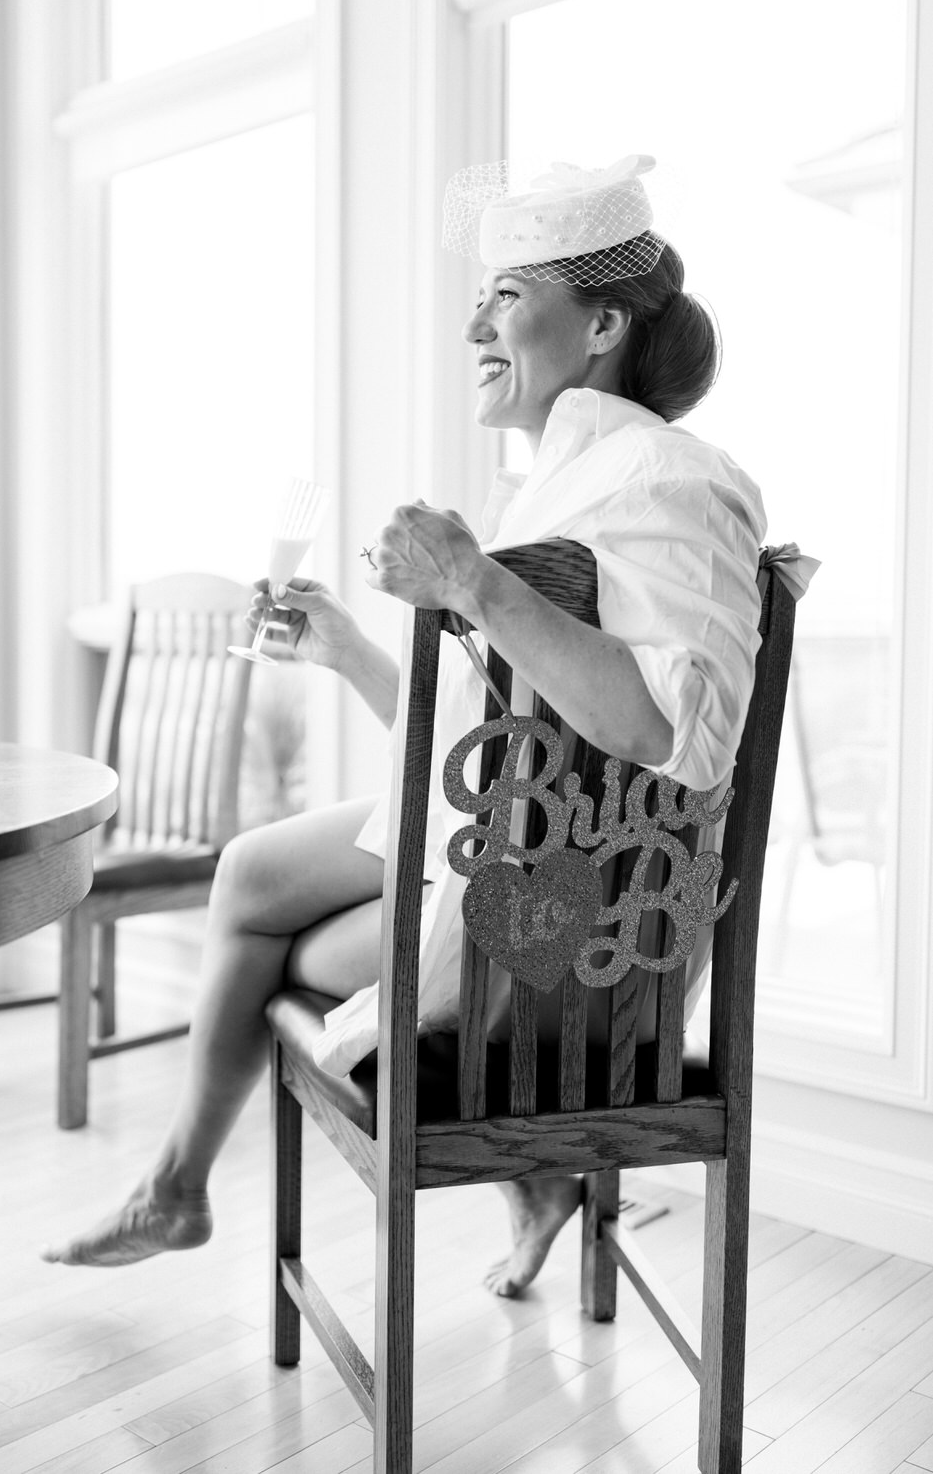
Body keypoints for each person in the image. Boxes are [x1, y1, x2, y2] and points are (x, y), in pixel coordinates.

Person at [42, 155, 767, 1297]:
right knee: (251, 871)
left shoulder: (668, 476)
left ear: (602, 326)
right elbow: (485, 752)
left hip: (569, 929)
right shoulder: (573, 484)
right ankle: (189, 1188)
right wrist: (352, 651)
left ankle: (180, 1189)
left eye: (509, 294)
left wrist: (474, 585)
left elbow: (667, 737)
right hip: (517, 848)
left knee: (265, 928)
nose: (474, 320)